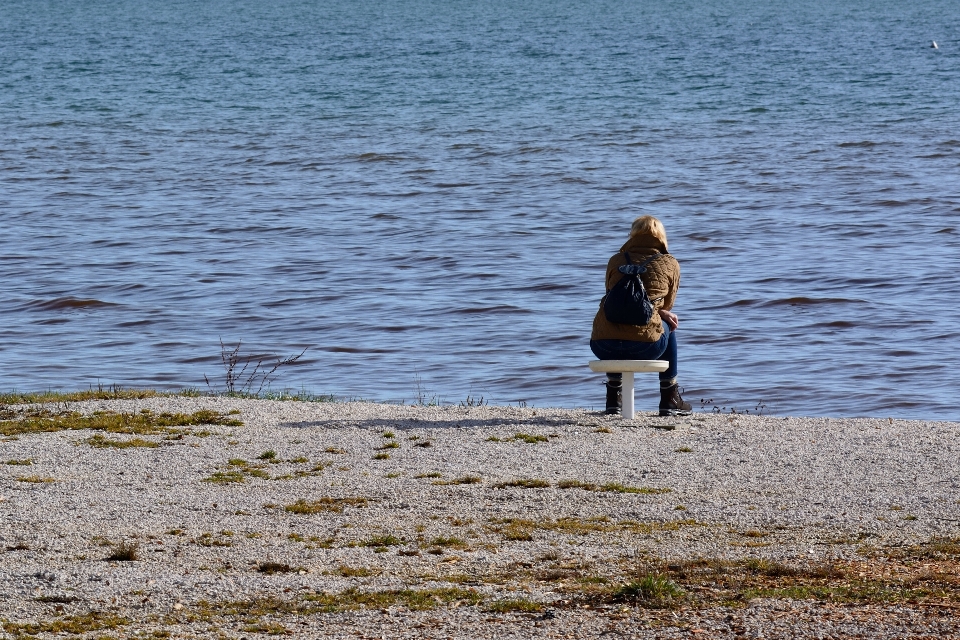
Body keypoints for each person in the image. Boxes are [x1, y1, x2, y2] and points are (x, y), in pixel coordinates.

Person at [590, 215, 692, 416]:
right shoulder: (669, 263)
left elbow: (613, 300)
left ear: (633, 235)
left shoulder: (615, 260)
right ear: (661, 237)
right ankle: (669, 397)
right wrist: (660, 310)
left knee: (615, 322)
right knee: (668, 325)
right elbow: (668, 305)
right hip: (645, 347)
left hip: (603, 345)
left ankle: (613, 399)